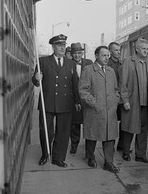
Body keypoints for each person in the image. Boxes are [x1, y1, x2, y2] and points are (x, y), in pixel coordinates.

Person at [31, 34, 79, 167]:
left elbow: (74, 83)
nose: (63, 48)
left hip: (66, 102)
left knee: (63, 132)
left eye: (64, 45)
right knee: (46, 131)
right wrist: (36, 78)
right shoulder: (43, 62)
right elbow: (35, 82)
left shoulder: (71, 63)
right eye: (59, 45)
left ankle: (58, 158)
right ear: (53, 47)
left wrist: (77, 101)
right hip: (48, 102)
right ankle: (45, 154)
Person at [79, 46, 120, 173]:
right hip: (94, 110)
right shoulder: (88, 70)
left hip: (110, 110)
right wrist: (94, 103)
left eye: (108, 55)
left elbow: (116, 89)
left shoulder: (111, 71)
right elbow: (83, 90)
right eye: (104, 55)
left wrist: (115, 100)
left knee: (109, 136)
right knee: (92, 135)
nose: (107, 58)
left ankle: (109, 162)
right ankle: (90, 157)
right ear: (96, 56)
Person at [120, 37, 148, 163]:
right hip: (132, 102)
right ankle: (126, 152)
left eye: (147, 49)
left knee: (143, 130)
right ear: (137, 49)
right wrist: (125, 100)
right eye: (143, 49)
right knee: (129, 128)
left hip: (146, 103)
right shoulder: (128, 62)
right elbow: (122, 83)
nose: (146, 51)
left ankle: (141, 155)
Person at [69, 42, 93, 154]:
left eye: (79, 53)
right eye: (75, 53)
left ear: (82, 53)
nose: (77, 56)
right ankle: (74, 145)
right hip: (75, 99)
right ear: (71, 54)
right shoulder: (68, 64)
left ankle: (89, 148)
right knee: (75, 124)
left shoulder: (89, 63)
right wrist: (75, 101)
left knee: (89, 123)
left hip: (87, 99)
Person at [107, 42, 126, 153]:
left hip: (122, 97)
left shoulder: (122, 63)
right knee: (112, 123)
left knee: (124, 122)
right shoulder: (108, 64)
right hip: (112, 97)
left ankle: (121, 145)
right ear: (110, 52)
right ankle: (111, 145)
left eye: (119, 50)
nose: (118, 52)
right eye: (116, 50)